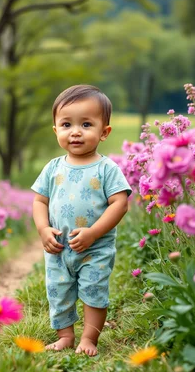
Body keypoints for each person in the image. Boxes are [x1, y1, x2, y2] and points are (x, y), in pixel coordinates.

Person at [31, 84, 132, 356]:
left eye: (86, 124)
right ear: (56, 130)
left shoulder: (107, 168)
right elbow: (40, 201)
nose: (75, 131)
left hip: (94, 247)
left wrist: (94, 233)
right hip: (59, 248)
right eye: (66, 124)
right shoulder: (52, 168)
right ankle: (65, 336)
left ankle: (89, 339)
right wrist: (43, 228)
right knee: (59, 292)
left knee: (93, 291)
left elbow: (119, 204)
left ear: (104, 132)